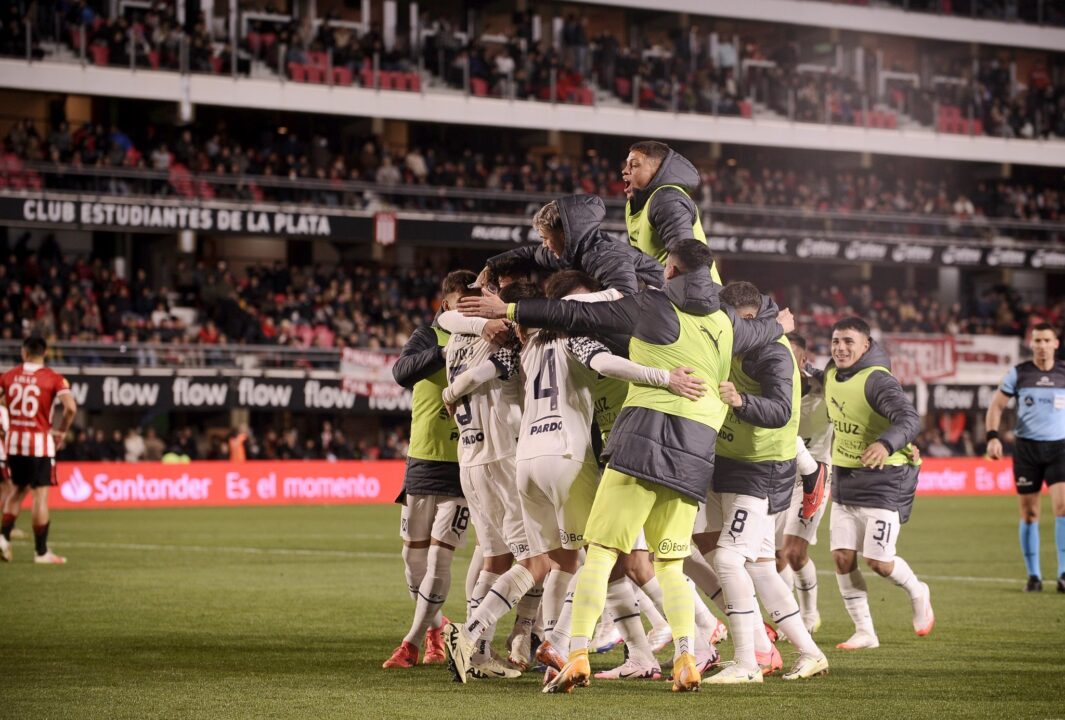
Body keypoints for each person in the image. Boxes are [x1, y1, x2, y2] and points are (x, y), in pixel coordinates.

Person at [459, 240, 790, 693]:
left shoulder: (650, 307)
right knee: (670, 566)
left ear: (672, 271)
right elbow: (761, 332)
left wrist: (513, 311)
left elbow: (575, 315)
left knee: (598, 555)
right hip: (693, 460)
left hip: (639, 447)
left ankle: (574, 654)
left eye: (668, 268)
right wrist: (778, 322)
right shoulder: (727, 322)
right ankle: (687, 657)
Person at [442, 273, 706, 684]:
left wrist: (452, 389)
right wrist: (664, 377)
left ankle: (472, 632)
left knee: (544, 562)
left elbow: (458, 335)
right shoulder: (574, 337)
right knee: (596, 554)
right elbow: (606, 364)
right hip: (566, 455)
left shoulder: (523, 346)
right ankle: (561, 643)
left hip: (525, 461)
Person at [694, 282, 826, 684]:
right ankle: (810, 653)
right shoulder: (744, 337)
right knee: (763, 569)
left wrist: (741, 402)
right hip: (730, 462)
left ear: (748, 318)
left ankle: (748, 663)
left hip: (761, 467)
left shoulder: (772, 351)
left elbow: (782, 410)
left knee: (730, 560)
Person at [824, 317, 933, 650]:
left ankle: (918, 591)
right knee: (842, 557)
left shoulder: (877, 381)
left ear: (866, 345)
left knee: (878, 562)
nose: (840, 348)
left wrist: (885, 444)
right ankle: (865, 632)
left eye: (848, 342)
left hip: (885, 480)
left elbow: (909, 419)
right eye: (835, 341)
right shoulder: (830, 372)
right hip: (846, 476)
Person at [381, 271, 470, 670]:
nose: (466, 307)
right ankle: (438, 630)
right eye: (460, 301)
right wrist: (442, 354)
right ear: (446, 302)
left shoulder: (483, 339)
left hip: (465, 462)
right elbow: (401, 374)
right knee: (412, 559)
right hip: (422, 459)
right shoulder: (429, 337)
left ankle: (412, 643)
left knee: (439, 559)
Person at [443, 279, 529, 681]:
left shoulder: (458, 334)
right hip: (502, 454)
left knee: (495, 557)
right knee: (537, 558)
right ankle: (471, 635)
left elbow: (445, 315)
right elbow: (503, 365)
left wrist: (452, 388)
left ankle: (476, 655)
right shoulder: (501, 332)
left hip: (470, 458)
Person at [986, 323, 1065, 593]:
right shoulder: (1019, 374)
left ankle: (1064, 573)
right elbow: (996, 406)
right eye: (1037, 340)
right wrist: (992, 436)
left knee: (1063, 507)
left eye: (1046, 340)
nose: (1041, 345)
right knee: (1030, 514)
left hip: (1060, 448)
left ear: (1056, 343)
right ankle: (1034, 576)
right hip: (1027, 450)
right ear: (1032, 344)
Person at [0, 335, 78, 564]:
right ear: (44, 353)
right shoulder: (53, 378)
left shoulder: (8, 376)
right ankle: (41, 552)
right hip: (39, 445)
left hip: (14, 443)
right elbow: (70, 408)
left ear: (24, 353)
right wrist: (61, 432)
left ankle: (3, 539)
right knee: (40, 496)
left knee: (17, 490)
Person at [775, 333, 832, 632]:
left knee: (793, 553)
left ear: (803, 360)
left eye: (791, 356)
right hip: (778, 473)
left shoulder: (826, 389)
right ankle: (790, 615)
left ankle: (808, 615)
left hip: (814, 475)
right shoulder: (772, 388)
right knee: (773, 557)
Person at [621, 140, 720, 284]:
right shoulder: (634, 205)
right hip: (669, 295)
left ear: (657, 171)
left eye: (634, 165)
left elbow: (686, 264)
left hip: (692, 300)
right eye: (627, 164)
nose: (625, 170)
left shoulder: (667, 200)